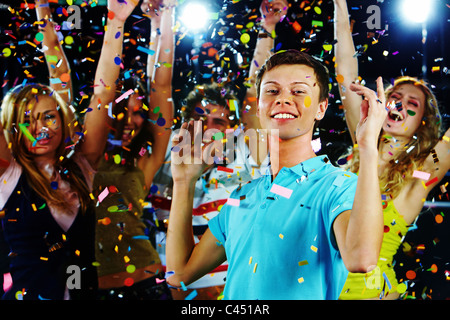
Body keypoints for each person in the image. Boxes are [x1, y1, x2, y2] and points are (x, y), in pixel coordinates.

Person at [165, 49, 386, 300]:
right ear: (258, 108)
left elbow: (361, 259)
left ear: (321, 108)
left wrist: (368, 149)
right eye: (272, 91)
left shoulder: (339, 187)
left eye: (299, 91)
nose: (282, 99)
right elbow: (178, 274)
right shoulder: (242, 196)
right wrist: (184, 183)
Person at [149, 0, 288, 300]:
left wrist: (267, 28)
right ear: (185, 122)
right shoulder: (166, 155)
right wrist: (160, 23)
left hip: (238, 290)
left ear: (233, 128)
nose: (209, 127)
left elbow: (254, 92)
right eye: (199, 117)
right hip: (174, 289)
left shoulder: (248, 156)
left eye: (219, 120)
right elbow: (158, 88)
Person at [0, 0, 138, 300]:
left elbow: (102, 91)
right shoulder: (8, 175)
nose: (41, 128)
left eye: (49, 116)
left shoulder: (82, 164)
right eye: (27, 120)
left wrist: (116, 22)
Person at [334, 0, 450, 300]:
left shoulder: (421, 174)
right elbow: (345, 73)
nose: (400, 105)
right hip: (317, 287)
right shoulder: (362, 142)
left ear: (421, 125)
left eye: (412, 105)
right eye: (395, 97)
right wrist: (341, 6)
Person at [94, 0, 174, 300]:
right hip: (90, 288)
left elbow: (162, 87)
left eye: (139, 112)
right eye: (122, 111)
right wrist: (116, 19)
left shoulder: (145, 161)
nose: (130, 121)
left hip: (146, 284)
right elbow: (102, 89)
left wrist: (166, 15)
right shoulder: (84, 154)